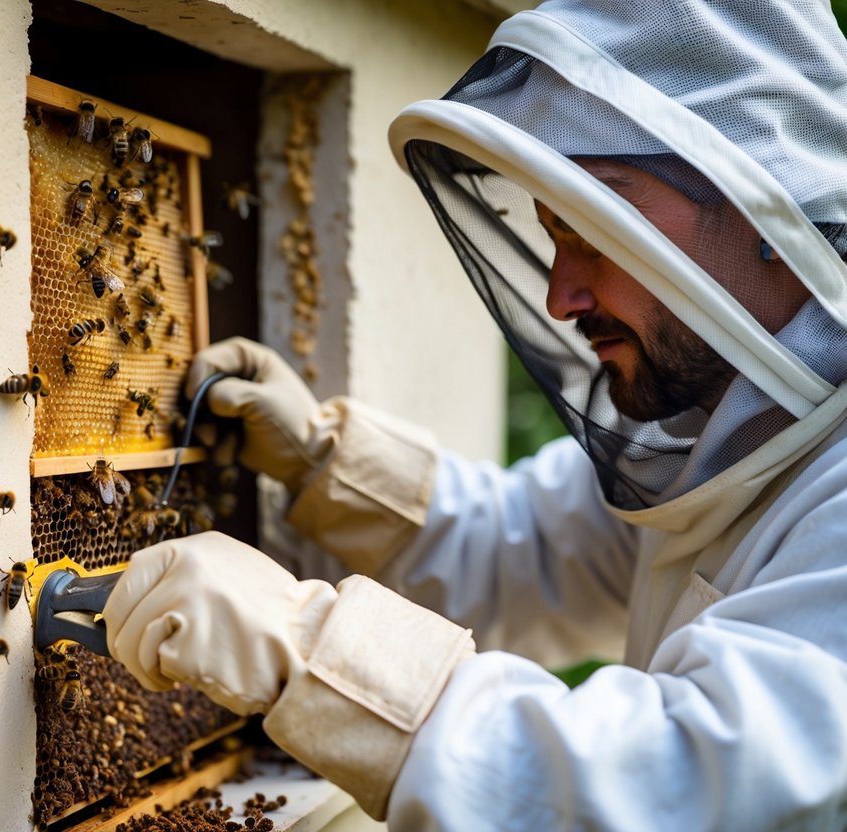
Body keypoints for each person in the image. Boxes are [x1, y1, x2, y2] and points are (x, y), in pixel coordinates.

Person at [103, 0, 847, 828]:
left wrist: (308, 651)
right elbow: (524, 552)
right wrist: (324, 464)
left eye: (597, 233)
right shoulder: (719, 438)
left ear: (767, 207)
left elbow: (679, 786)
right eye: (554, 234)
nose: (560, 296)